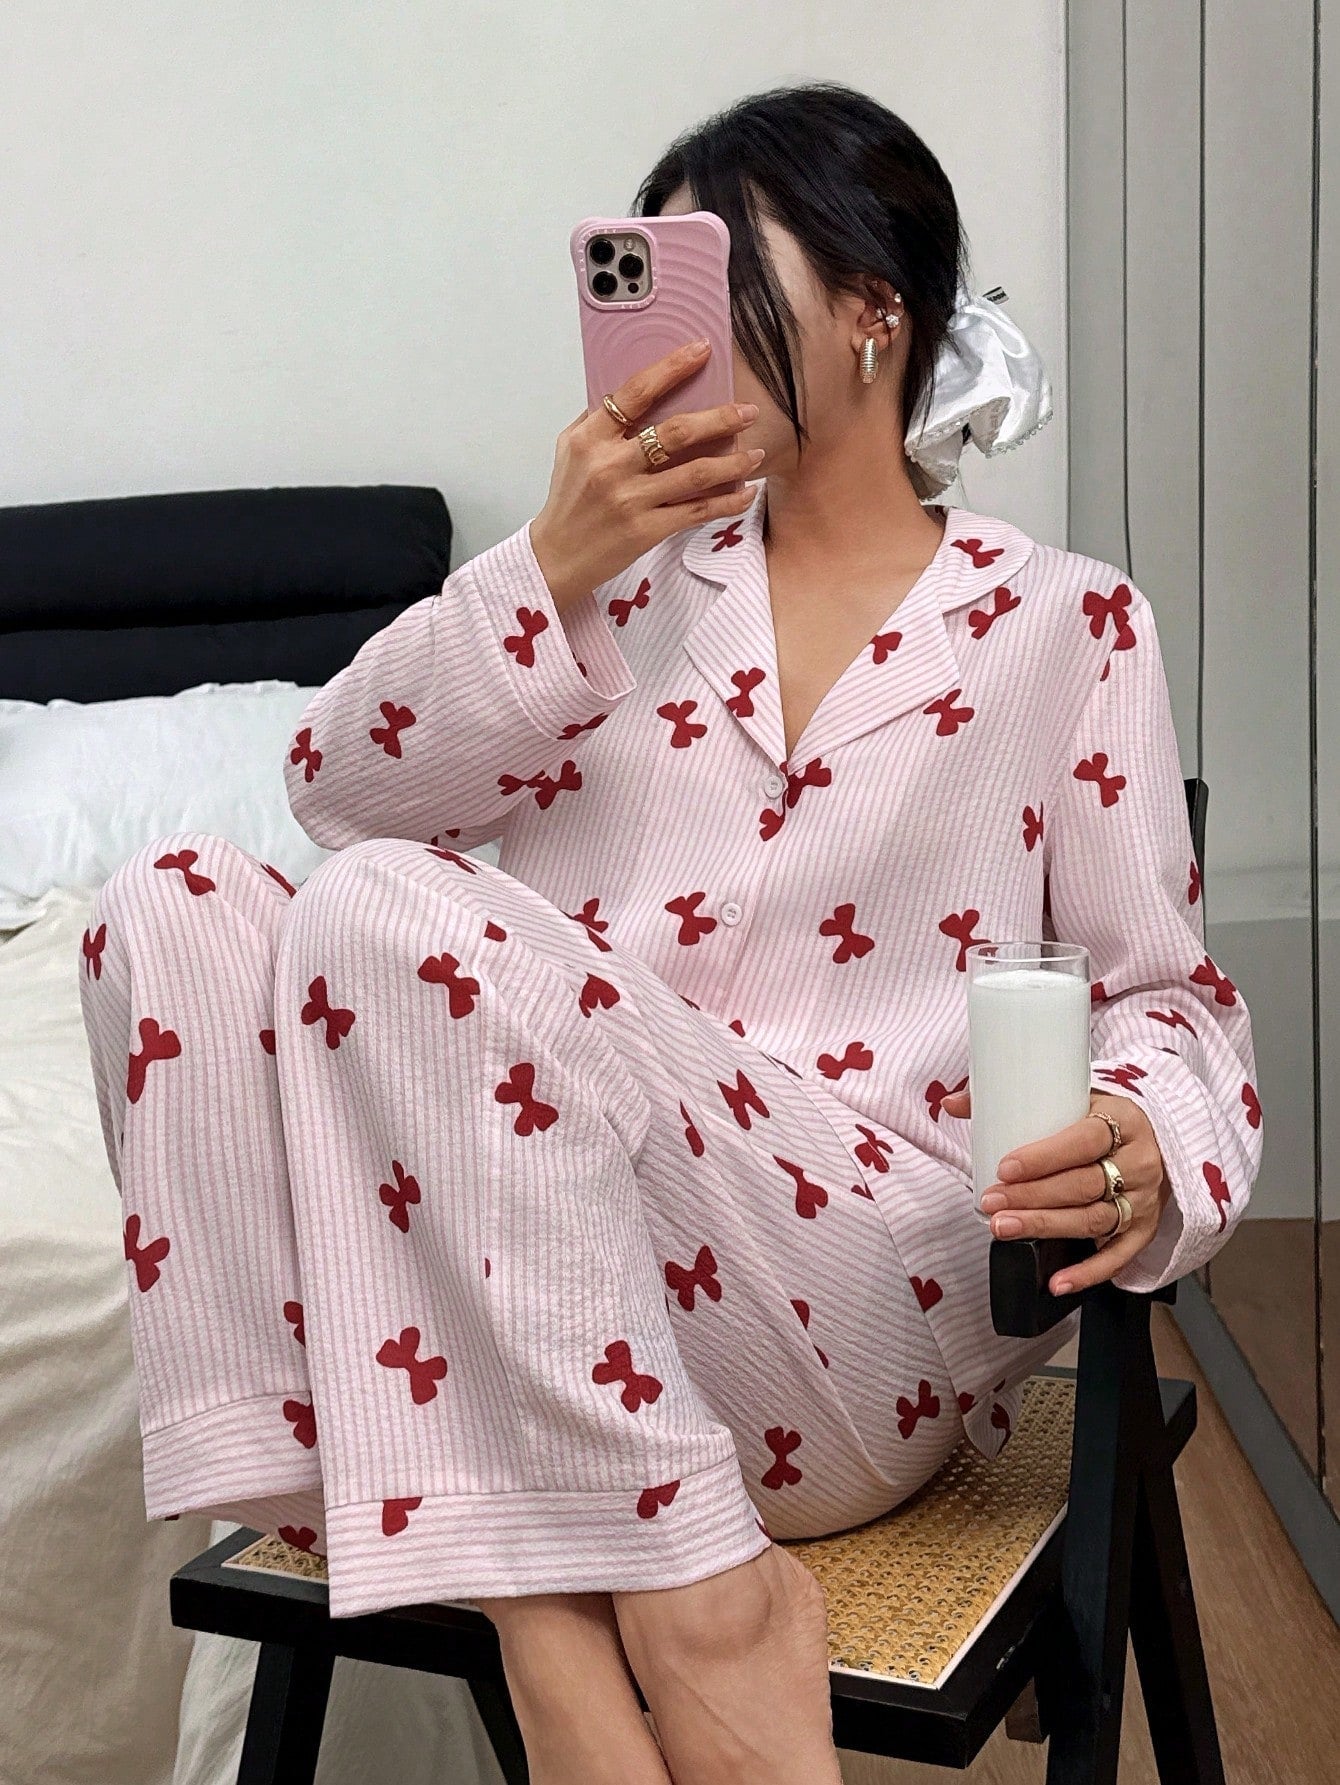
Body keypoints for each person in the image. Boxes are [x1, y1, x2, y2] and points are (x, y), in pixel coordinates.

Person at [79, 80, 1262, 1785]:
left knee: (386, 910)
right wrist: (547, 568)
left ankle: (644, 1572)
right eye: (659, 285)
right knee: (175, 900)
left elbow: (1169, 1000)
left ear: (874, 312)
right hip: (539, 1297)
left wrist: (1144, 1137)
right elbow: (337, 786)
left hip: (848, 1299)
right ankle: (562, 1605)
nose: (683, 336)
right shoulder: (612, 594)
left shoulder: (1065, 625)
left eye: (729, 282)